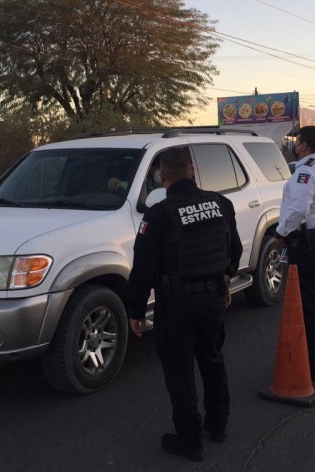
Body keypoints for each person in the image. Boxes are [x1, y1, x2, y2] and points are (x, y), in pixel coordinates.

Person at [127, 147, 242, 462]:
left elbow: (143, 268)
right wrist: (225, 282)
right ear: (192, 169)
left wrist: (135, 311)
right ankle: (218, 426)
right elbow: (234, 250)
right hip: (213, 298)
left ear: (161, 176)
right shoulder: (222, 204)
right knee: (212, 360)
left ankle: (190, 441)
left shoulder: (160, 214)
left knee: (180, 373)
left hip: (175, 304)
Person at [274, 125, 315, 382]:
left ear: (305, 145)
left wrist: (280, 233)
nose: (294, 145)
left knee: (309, 304)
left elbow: (299, 209)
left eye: (297, 141)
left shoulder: (306, 172)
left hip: (311, 241)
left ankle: (310, 367)